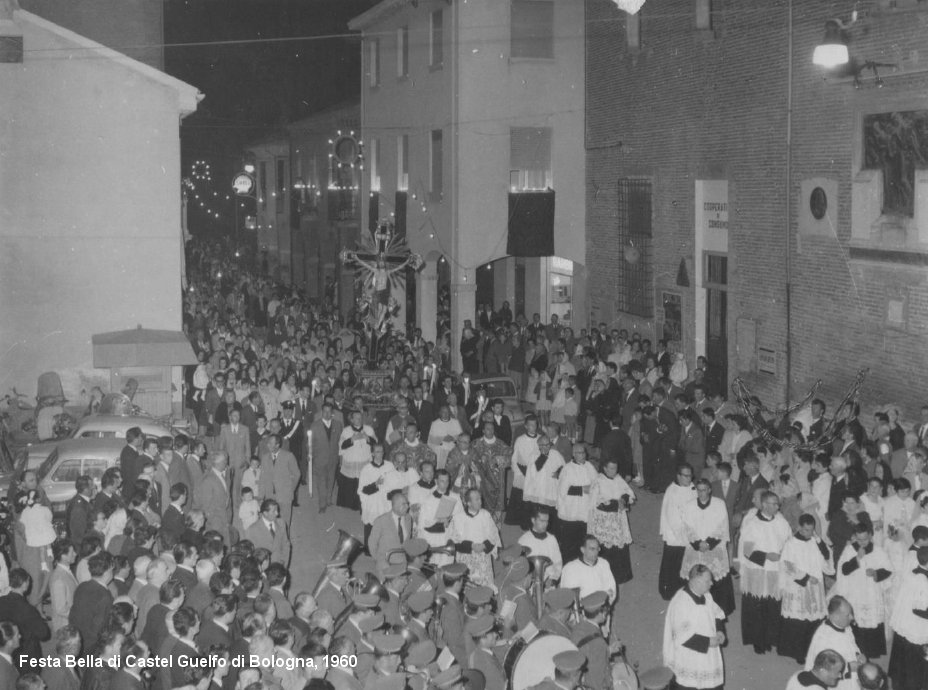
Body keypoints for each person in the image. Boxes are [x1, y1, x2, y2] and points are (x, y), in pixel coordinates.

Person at [738, 490, 791, 654]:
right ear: (763, 505)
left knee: (773, 606)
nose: (777, 507)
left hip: (776, 570)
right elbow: (747, 550)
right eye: (773, 504)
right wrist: (767, 556)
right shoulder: (752, 524)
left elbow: (789, 542)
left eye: (777, 504)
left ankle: (770, 638)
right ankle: (758, 641)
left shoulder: (782, 522)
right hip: (758, 570)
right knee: (757, 606)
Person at [778, 513, 834, 664]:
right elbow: (787, 565)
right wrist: (806, 577)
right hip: (799, 587)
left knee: (814, 619)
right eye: (806, 530)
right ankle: (798, 653)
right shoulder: (791, 544)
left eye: (812, 530)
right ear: (800, 528)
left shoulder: (814, 541)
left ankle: (813, 652)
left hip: (815, 587)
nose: (810, 533)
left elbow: (826, 556)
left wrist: (819, 540)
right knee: (799, 621)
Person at [832, 523, 892, 659]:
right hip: (856, 592)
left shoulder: (878, 550)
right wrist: (857, 559)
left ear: (870, 535)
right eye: (859, 539)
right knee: (856, 620)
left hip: (871, 593)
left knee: (871, 620)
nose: (862, 542)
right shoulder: (849, 550)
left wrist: (876, 573)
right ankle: (856, 652)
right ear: (855, 537)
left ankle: (871, 652)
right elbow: (843, 570)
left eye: (865, 539)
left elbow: (888, 570)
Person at [663, 564, 726, 690]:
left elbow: (717, 614)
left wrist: (720, 630)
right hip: (689, 656)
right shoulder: (681, 603)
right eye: (708, 581)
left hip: (708, 654)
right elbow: (682, 637)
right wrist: (708, 642)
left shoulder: (706, 595)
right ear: (697, 582)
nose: (712, 583)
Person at [680, 479, 733, 616]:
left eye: (704, 490)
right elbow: (686, 526)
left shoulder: (719, 504)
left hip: (714, 547)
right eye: (699, 490)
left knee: (715, 577)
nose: (701, 493)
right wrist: (698, 543)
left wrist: (709, 543)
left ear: (709, 490)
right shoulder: (689, 505)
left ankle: (717, 610)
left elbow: (722, 526)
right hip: (696, 547)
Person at [589, 456, 635, 591]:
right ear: (604, 468)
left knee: (619, 547)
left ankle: (620, 577)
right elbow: (596, 503)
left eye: (615, 468)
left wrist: (624, 500)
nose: (614, 471)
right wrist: (616, 504)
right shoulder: (598, 482)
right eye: (611, 468)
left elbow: (628, 493)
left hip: (618, 520)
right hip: (604, 522)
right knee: (607, 549)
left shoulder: (618, 479)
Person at [888, 546, 928, 690]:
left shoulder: (913, 573)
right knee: (915, 665)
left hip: (905, 623)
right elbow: (919, 609)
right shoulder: (923, 580)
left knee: (904, 662)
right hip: (915, 628)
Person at [806, 596, 865, 690]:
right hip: (834, 680)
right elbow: (824, 668)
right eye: (848, 615)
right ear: (835, 617)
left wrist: (857, 655)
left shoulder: (845, 627)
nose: (852, 617)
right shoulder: (824, 638)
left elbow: (852, 644)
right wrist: (849, 667)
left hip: (849, 671)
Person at [450, 489, 501, 590]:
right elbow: (453, 540)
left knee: (485, 587)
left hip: (483, 556)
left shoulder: (485, 515)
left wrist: (484, 545)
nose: (480, 502)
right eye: (477, 499)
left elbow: (493, 534)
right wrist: (471, 546)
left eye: (480, 499)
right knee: (468, 587)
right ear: (468, 503)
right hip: (467, 557)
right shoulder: (458, 518)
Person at [658, 463, 696, 600]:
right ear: (678, 476)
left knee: (686, 564)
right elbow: (672, 517)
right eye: (686, 476)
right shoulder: (672, 491)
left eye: (690, 475)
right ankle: (669, 591)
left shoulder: (692, 488)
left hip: (689, 533)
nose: (689, 478)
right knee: (672, 564)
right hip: (676, 535)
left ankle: (684, 591)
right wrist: (683, 534)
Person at [556, 443, 599, 563]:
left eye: (584, 452)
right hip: (571, 510)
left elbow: (597, 482)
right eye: (580, 453)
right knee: (570, 542)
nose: (583, 455)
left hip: (585, 509)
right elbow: (562, 490)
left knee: (583, 540)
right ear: (573, 454)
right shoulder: (568, 468)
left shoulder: (589, 466)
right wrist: (582, 489)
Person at [0, 569, 50, 668]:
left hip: (6, 651)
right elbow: (44, 634)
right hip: (27, 655)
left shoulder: (1, 601)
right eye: (28, 581)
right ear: (24, 585)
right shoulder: (28, 609)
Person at [69, 551, 114, 652]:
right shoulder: (105, 596)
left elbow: (73, 615)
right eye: (112, 569)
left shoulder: (81, 586)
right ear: (107, 572)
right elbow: (100, 628)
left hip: (78, 639)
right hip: (92, 647)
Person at [259, 434, 300, 528]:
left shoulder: (288, 456)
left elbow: (296, 474)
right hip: (270, 496)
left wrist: (290, 490)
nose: (268, 445)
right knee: (271, 522)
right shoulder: (265, 458)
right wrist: (260, 496)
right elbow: (262, 478)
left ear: (277, 445)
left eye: (270, 443)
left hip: (285, 496)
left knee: (284, 522)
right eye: (268, 443)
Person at [338, 410, 377, 511]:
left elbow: (376, 444)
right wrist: (352, 439)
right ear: (351, 419)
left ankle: (361, 505)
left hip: (364, 461)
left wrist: (367, 438)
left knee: (362, 483)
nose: (359, 420)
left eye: (360, 418)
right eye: (356, 418)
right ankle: (348, 504)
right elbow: (341, 446)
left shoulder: (368, 429)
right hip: (351, 462)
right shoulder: (346, 430)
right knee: (350, 484)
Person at [369, 491, 413, 578]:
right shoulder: (381, 520)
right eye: (404, 504)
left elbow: (408, 541)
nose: (407, 507)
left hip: (402, 563)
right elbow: (372, 544)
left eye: (407, 503)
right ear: (395, 506)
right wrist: (380, 562)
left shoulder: (408, 518)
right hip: (385, 564)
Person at [507, 416, 541, 528]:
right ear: (526, 426)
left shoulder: (540, 439)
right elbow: (515, 458)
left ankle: (534, 522)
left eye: (535, 425)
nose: (533, 427)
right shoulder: (520, 440)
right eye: (530, 425)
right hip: (522, 473)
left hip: (536, 473)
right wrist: (519, 473)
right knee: (522, 498)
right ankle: (523, 522)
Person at [310, 402, 344, 513]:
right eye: (324, 411)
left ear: (332, 412)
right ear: (321, 412)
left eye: (329, 411)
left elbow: (340, 442)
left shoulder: (338, 425)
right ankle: (322, 504)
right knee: (321, 481)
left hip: (333, 458)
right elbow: (310, 443)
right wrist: (310, 455)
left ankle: (328, 499)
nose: (327, 414)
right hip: (319, 458)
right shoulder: (315, 425)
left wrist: (340, 457)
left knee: (331, 480)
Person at [517, 506, 563, 583]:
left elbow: (558, 562)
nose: (545, 524)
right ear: (533, 520)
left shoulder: (552, 539)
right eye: (542, 521)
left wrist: (553, 580)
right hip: (530, 582)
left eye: (547, 521)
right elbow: (520, 565)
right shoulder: (524, 540)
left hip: (549, 582)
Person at [196, 452, 233, 544]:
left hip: (224, 520)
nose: (227, 464)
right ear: (219, 463)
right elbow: (205, 505)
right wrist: (213, 522)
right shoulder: (208, 479)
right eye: (225, 462)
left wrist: (228, 517)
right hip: (215, 524)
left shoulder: (222, 476)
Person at [244, 499, 291, 566]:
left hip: (280, 565)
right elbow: (250, 555)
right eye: (274, 511)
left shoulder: (281, 523)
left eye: (277, 510)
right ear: (265, 513)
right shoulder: (252, 530)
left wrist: (284, 563)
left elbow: (286, 544)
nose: (277, 513)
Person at [48, 539, 78, 634]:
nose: (75, 554)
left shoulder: (65, 571)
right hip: (65, 626)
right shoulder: (58, 579)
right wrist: (79, 615)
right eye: (72, 552)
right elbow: (61, 609)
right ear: (63, 556)